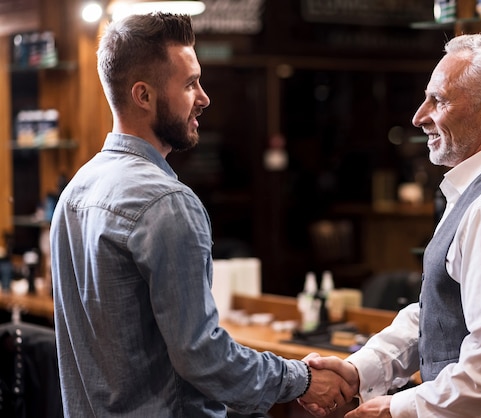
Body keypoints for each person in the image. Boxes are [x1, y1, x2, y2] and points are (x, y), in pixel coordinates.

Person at [50, 13, 356, 417]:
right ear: (143, 95)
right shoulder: (166, 203)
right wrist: (300, 379)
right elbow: (204, 357)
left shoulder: (75, 191)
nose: (204, 97)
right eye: (190, 83)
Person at [301, 34, 481, 417]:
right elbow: (440, 314)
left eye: (439, 100)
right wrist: (358, 370)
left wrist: (398, 409)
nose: (419, 116)